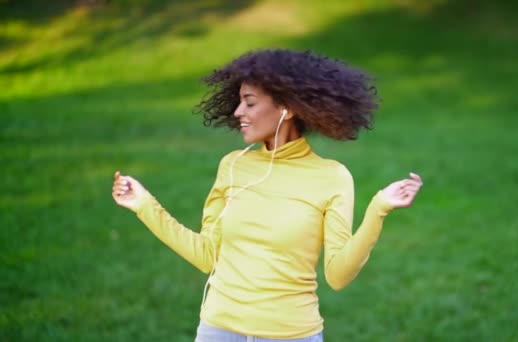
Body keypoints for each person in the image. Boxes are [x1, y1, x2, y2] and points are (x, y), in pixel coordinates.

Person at [111, 49, 423, 342]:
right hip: (217, 331)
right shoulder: (234, 165)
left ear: (286, 108)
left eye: (249, 102)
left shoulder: (332, 176)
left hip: (291, 334)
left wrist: (379, 209)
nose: (237, 111)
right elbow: (207, 255)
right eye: (238, 101)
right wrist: (144, 206)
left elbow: (338, 276)